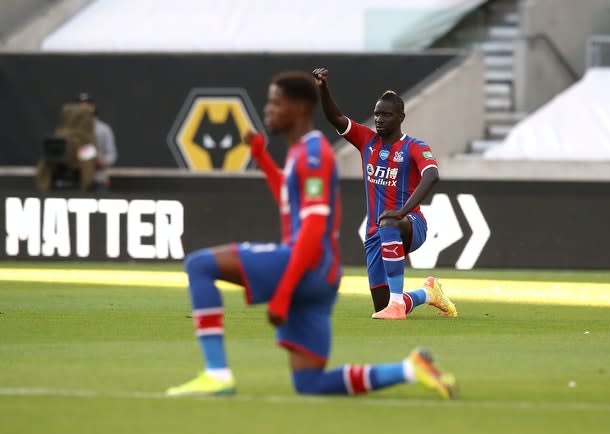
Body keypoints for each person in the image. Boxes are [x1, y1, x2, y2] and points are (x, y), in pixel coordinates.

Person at [166, 71, 456, 399]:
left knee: (200, 265)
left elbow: (315, 229)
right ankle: (411, 362)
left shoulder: (315, 155)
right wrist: (261, 156)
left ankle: (217, 374)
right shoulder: (318, 150)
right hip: (333, 264)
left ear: (300, 108)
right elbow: (289, 200)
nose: (268, 110)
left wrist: (284, 289)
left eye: (276, 103)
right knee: (310, 383)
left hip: (325, 257)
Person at [312, 67, 457, 320]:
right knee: (382, 305)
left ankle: (397, 305)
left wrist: (403, 212)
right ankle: (428, 293)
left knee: (389, 222)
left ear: (401, 117)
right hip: (374, 234)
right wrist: (323, 88)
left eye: (386, 115)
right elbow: (335, 117)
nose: (379, 119)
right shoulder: (366, 141)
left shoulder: (414, 147)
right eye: (377, 114)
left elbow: (432, 175)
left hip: (410, 224)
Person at [77, 92, 117, 191]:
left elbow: (112, 155)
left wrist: (102, 162)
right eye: (81, 105)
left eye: (87, 105)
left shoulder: (103, 129)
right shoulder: (71, 130)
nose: (84, 108)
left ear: (93, 107)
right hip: (76, 179)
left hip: (98, 180)